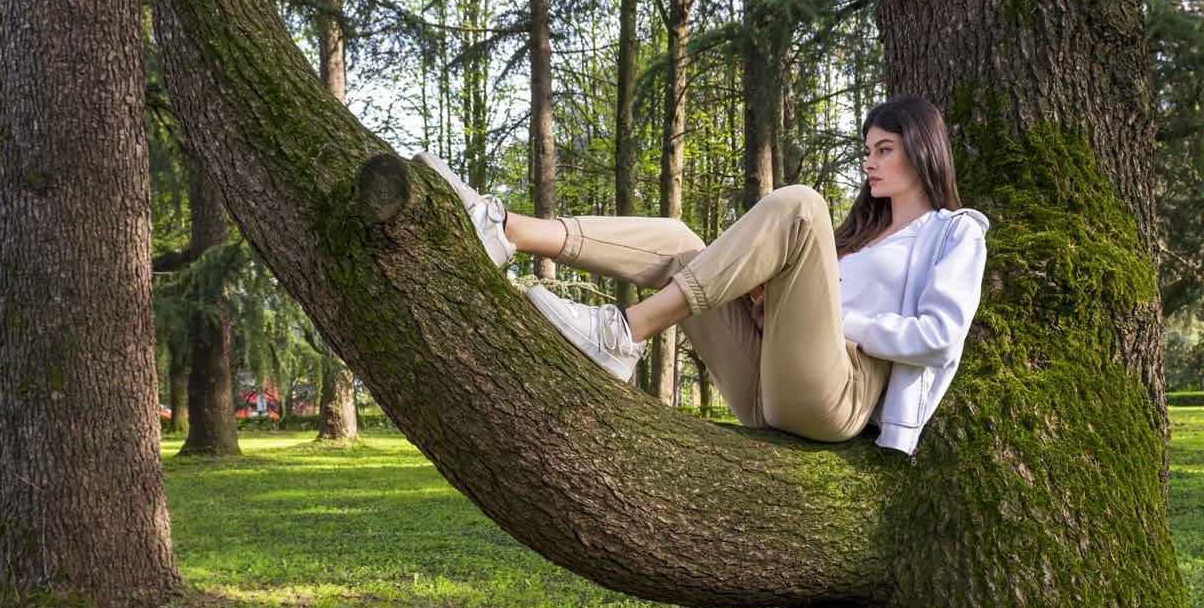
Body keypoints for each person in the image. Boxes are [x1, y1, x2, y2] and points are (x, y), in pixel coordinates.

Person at [414, 95, 991, 455]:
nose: (869, 162)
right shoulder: (858, 235)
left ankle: (623, 332)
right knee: (680, 242)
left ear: (922, 150)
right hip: (766, 387)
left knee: (801, 205)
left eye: (884, 149)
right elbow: (806, 310)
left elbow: (940, 338)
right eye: (867, 150)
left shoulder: (955, 232)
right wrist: (770, 306)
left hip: (837, 399)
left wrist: (841, 322)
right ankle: (504, 228)